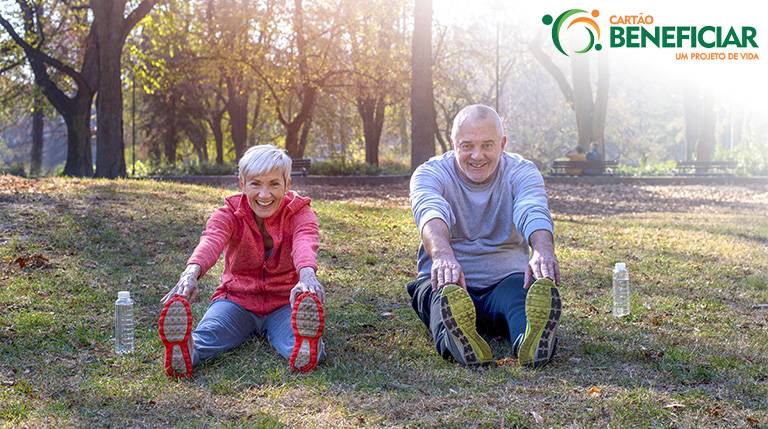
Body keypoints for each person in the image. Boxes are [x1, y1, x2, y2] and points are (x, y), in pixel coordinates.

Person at [407, 104, 562, 368]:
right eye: (467, 146)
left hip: (506, 280)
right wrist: (443, 257)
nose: (477, 155)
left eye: (487, 145)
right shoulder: (430, 173)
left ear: (503, 143)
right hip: (449, 283)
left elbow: (532, 208)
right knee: (440, 301)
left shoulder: (521, 172)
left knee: (520, 300)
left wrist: (542, 250)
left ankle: (532, 341)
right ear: (453, 143)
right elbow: (430, 212)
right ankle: (455, 341)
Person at [157, 144, 325, 378]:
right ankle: (186, 351)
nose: (264, 195)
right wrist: (191, 273)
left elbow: (305, 242)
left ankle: (307, 347)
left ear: (287, 185)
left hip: (284, 303)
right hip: (236, 300)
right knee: (210, 334)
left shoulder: (300, 213)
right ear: (242, 183)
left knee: (296, 342)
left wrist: (307, 275)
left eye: (274, 184)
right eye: (255, 183)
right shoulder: (228, 213)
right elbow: (211, 240)